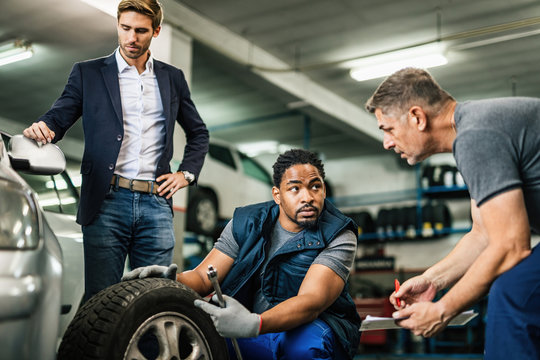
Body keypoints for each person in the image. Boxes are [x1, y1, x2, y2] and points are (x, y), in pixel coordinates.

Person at [22, 0, 209, 302]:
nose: (131, 38)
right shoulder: (88, 73)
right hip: (106, 201)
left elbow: (198, 132)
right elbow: (59, 116)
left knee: (155, 298)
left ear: (156, 31)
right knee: (102, 299)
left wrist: (186, 174)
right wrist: (43, 127)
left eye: (140, 31)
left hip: (156, 205)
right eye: (125, 28)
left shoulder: (172, 78)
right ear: (118, 26)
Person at [365, 67, 540, 358]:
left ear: (417, 118)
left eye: (388, 129)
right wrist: (432, 280)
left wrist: (442, 310)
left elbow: (511, 245)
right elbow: (483, 234)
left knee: (514, 294)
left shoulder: (476, 136)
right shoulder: (472, 133)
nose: (387, 142)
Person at [123, 149, 362, 360]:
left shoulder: (339, 233)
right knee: (184, 334)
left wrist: (255, 324)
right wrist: (168, 281)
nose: (307, 197)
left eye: (315, 187)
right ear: (277, 195)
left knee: (304, 348)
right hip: (248, 320)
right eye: (295, 188)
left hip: (311, 326)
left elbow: (311, 303)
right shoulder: (245, 222)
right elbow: (203, 278)